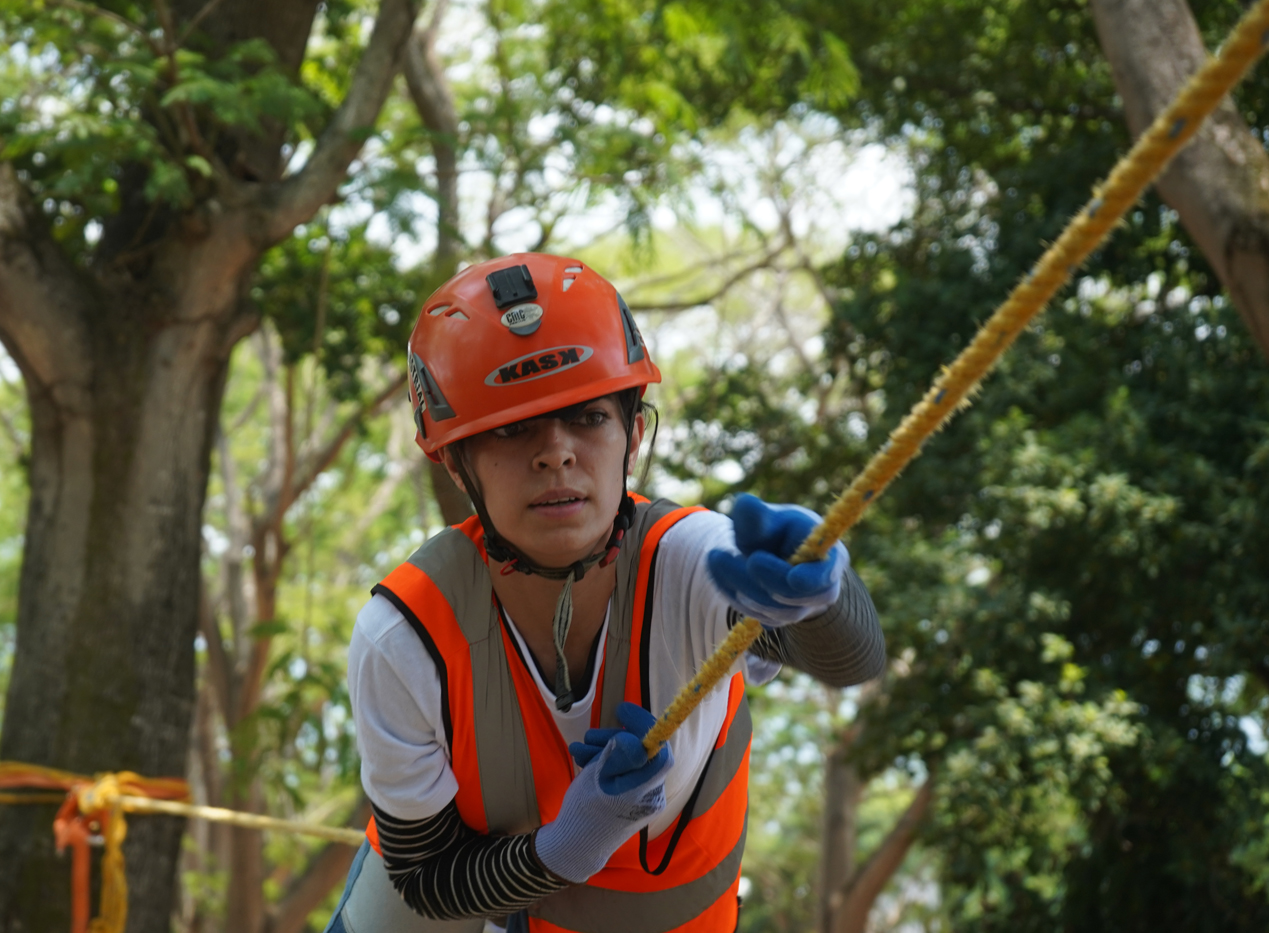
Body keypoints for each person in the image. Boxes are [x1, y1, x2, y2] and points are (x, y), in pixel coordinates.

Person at [326, 253, 886, 933]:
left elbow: (850, 660)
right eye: (512, 427)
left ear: (634, 433)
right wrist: (565, 847)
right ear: (454, 459)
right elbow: (426, 878)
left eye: (587, 418)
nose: (555, 452)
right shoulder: (405, 635)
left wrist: (822, 592)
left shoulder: (695, 562)